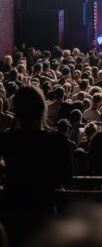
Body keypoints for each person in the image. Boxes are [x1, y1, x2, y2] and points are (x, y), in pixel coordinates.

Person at [0, 85, 73, 244]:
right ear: (42, 109)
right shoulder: (57, 141)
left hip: (12, 208)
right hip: (43, 209)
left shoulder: (7, 139)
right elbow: (67, 177)